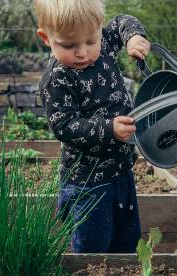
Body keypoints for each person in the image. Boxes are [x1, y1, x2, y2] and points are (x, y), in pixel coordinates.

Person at [34, 0, 150, 253]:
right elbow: (63, 125)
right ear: (46, 38)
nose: (82, 52)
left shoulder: (105, 43)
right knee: (93, 247)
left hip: (121, 173)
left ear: (99, 29)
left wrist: (133, 37)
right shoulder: (57, 78)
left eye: (90, 41)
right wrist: (109, 129)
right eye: (69, 45)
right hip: (87, 183)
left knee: (127, 241)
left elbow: (122, 21)